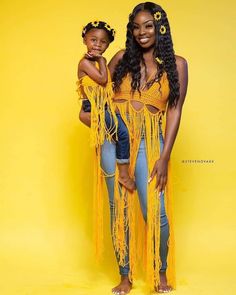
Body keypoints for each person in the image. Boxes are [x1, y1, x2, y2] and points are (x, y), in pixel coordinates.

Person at [79, 2, 188, 294]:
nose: (142, 32)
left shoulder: (177, 65)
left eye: (149, 25)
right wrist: (95, 119)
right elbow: (94, 95)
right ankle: (125, 276)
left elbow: (175, 111)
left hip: (150, 144)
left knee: (156, 211)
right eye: (136, 26)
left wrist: (164, 157)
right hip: (114, 142)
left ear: (161, 27)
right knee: (119, 212)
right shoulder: (119, 57)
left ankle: (160, 272)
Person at [77, 20, 135, 191]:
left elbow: (106, 84)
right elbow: (103, 80)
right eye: (93, 40)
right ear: (85, 40)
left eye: (103, 42)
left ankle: (118, 172)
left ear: (108, 44)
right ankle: (124, 175)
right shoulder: (85, 63)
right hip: (94, 107)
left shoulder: (95, 62)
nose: (97, 44)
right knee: (123, 134)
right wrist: (102, 60)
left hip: (103, 106)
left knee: (120, 133)